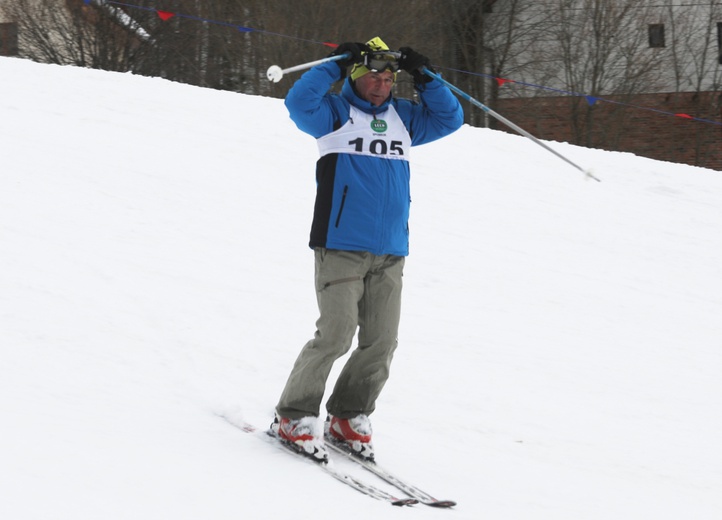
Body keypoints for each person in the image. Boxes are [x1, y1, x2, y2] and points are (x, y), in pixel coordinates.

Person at [271, 37, 464, 462]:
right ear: (357, 78)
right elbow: (299, 102)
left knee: (381, 341)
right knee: (336, 334)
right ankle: (295, 414)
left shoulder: (404, 118)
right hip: (340, 245)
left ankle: (348, 414)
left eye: (389, 77)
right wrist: (336, 65)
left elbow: (451, 119)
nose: (381, 83)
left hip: (391, 248)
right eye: (373, 75)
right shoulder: (334, 115)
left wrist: (426, 76)